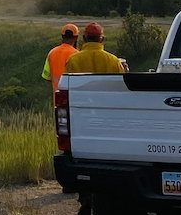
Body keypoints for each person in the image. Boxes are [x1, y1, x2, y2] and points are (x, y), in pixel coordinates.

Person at [63, 22, 124, 215]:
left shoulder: (73, 61)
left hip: (81, 120)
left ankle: (86, 198)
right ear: (102, 39)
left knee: (83, 159)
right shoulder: (114, 61)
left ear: (84, 39)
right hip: (108, 121)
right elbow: (122, 93)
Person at [41, 23, 79, 97]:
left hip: (57, 99)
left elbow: (46, 76)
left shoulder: (52, 52)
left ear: (62, 36)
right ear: (76, 37)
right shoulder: (77, 54)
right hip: (73, 98)